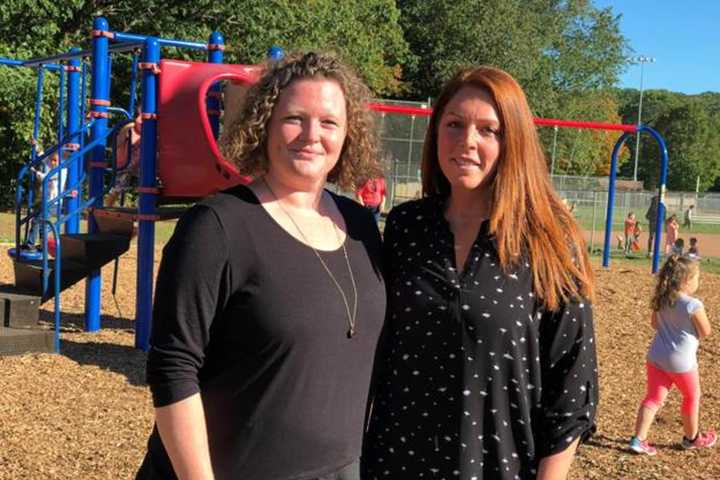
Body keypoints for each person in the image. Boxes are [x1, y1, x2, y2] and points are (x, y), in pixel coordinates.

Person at [136, 52, 386, 480]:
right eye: (294, 118)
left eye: (328, 123)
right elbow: (173, 369)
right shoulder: (217, 226)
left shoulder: (362, 226)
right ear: (265, 123)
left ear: (348, 136)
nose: (311, 135)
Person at [363, 66, 598, 480]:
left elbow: (571, 388)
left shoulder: (550, 241)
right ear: (436, 133)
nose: (467, 142)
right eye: (454, 125)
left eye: (488, 130)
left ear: (514, 142)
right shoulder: (406, 228)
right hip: (397, 463)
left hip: (500, 465)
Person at [629, 255, 716, 455]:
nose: (698, 282)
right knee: (691, 397)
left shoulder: (662, 298)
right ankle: (691, 438)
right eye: (697, 278)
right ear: (686, 280)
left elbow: (654, 324)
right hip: (682, 362)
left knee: (652, 399)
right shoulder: (693, 305)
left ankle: (638, 439)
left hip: (657, 356)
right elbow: (706, 331)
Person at [106, 113, 142, 207]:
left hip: (139, 164)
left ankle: (142, 209)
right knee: (117, 188)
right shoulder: (130, 128)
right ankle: (107, 207)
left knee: (144, 187)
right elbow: (118, 143)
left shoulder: (149, 130)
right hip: (126, 163)